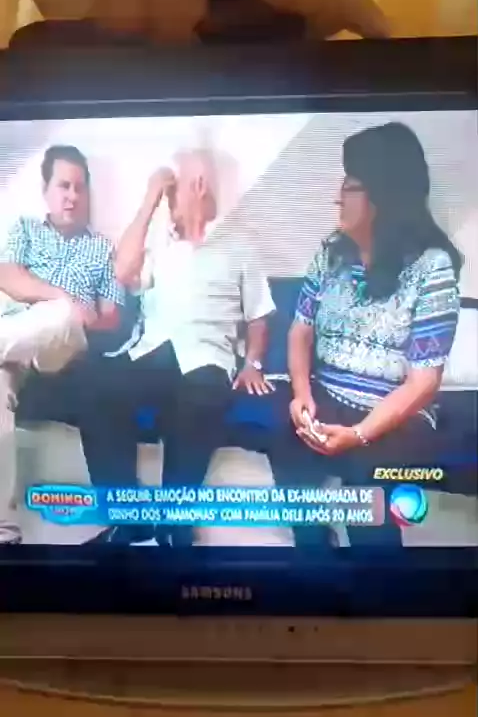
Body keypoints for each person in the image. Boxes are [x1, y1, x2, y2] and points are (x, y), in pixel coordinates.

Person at [269, 122, 462, 547]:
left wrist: (359, 434)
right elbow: (300, 331)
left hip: (395, 413)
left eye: (351, 185)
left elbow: (423, 383)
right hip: (329, 394)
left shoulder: (431, 268)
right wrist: (302, 395)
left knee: (366, 491)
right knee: (285, 441)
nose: (338, 196)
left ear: (384, 195)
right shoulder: (330, 254)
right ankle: (313, 551)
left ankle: (374, 578)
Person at [78, 147, 276, 546]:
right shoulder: (158, 245)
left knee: (200, 396)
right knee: (95, 386)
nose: (169, 199)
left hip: (207, 357)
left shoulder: (239, 246)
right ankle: (127, 519)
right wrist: (150, 198)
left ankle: (173, 523)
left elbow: (259, 316)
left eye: (173, 190)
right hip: (152, 351)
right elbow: (122, 272)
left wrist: (252, 363)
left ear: (198, 186)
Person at [0, 144, 125, 544]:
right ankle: (4, 534)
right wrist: (62, 296)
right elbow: (8, 278)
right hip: (15, 341)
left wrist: (73, 311)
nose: (72, 196)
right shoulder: (25, 229)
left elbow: (112, 316)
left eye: (79, 187)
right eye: (63, 186)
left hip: (62, 347)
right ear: (46, 190)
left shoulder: (102, 248)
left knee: (60, 317)